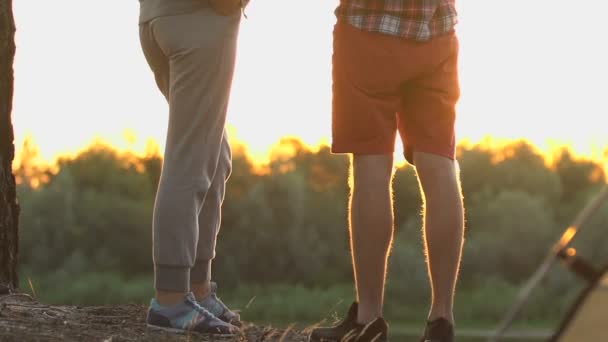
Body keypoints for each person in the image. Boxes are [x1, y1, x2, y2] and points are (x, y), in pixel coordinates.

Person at [310, 1, 464, 341]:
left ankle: (368, 318)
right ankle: (442, 320)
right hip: (436, 31)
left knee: (371, 164)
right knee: (440, 164)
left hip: (368, 27)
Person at [137, 0, 247, 336]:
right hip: (201, 20)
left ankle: (197, 289)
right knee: (191, 161)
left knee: (214, 153)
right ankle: (171, 301)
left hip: (157, 19)